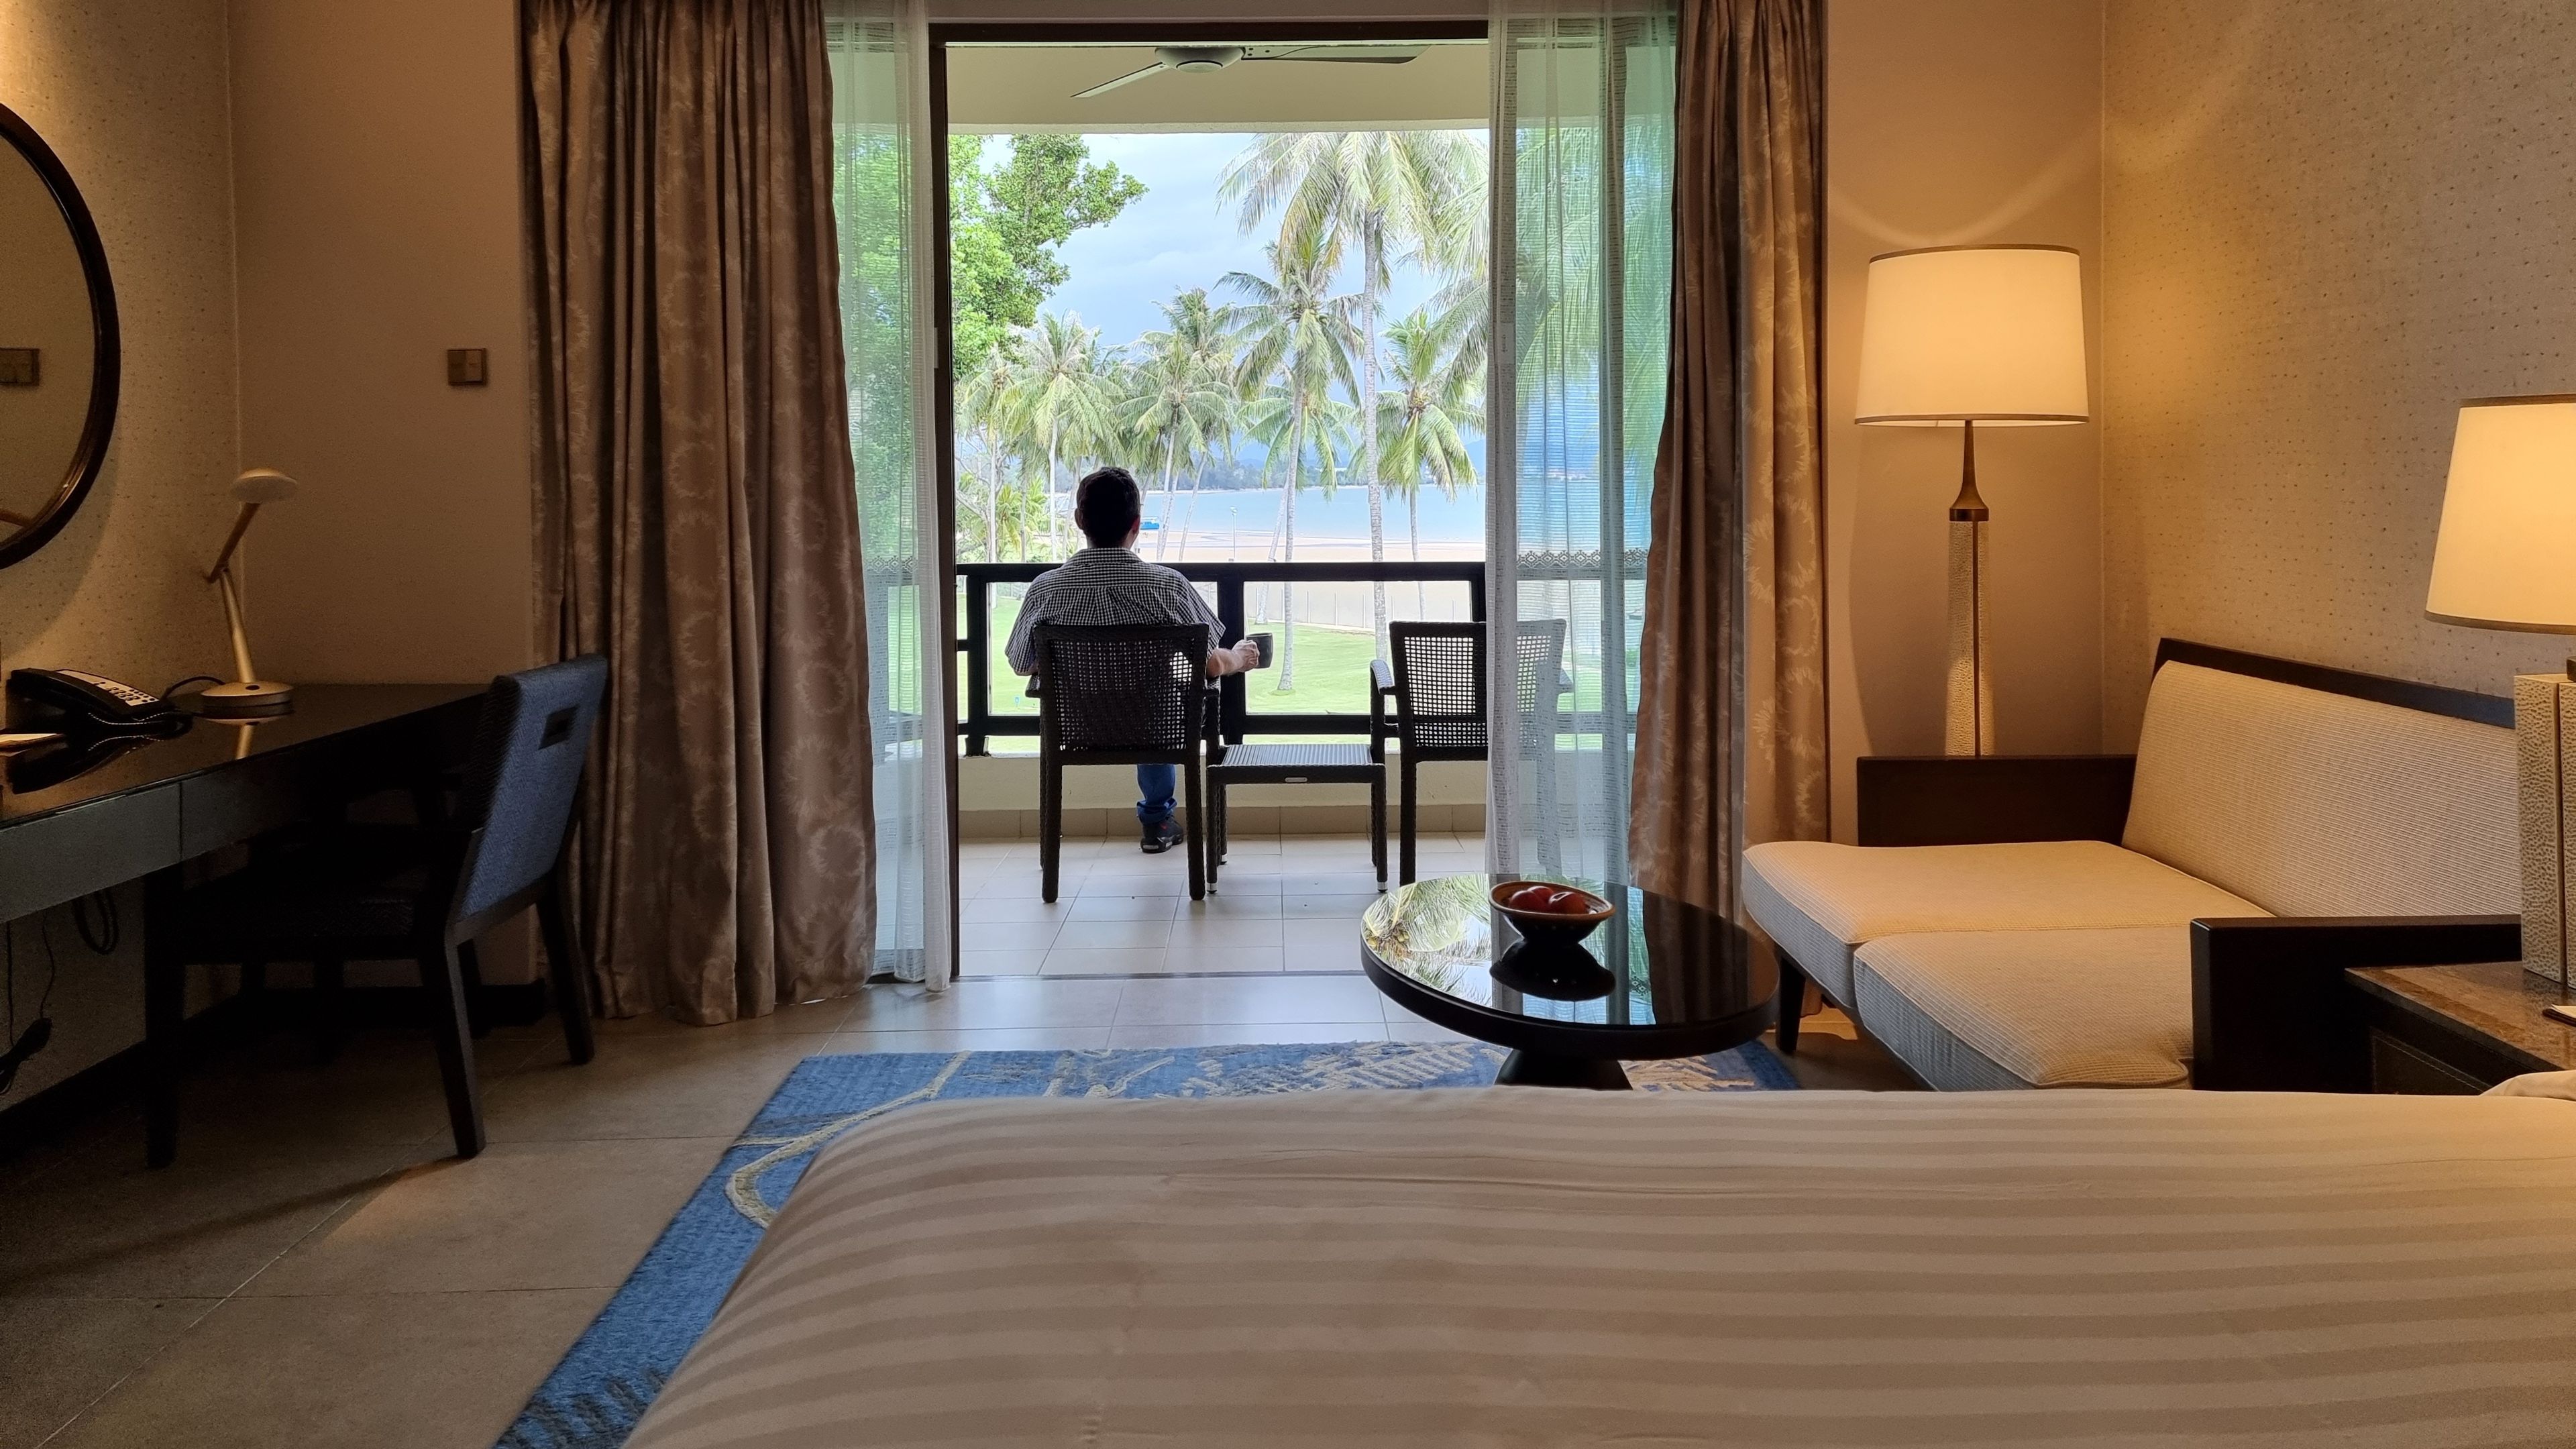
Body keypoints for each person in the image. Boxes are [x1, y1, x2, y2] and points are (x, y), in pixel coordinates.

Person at [1006, 466, 1260, 855]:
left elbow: (1022, 664)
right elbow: (1208, 664)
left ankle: (1062, 863)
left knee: (1148, 701)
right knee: (1157, 702)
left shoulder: (1047, 589)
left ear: (1079, 520)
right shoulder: (1167, 586)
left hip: (1075, 727)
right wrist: (1239, 658)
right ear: (1137, 525)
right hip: (1155, 729)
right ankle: (1157, 821)